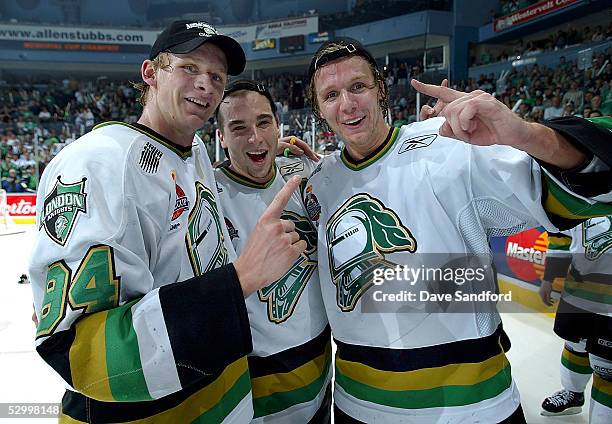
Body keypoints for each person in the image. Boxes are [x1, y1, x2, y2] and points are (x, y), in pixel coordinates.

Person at [303, 37, 612, 423]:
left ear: (381, 88)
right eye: (331, 95)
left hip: (472, 408)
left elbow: (583, 189)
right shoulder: (316, 182)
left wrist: (526, 135)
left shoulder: (449, 144)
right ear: (318, 109)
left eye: (358, 86)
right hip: (358, 406)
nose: (347, 103)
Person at [29, 20, 306, 423]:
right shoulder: (99, 163)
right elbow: (80, 353)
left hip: (218, 401)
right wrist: (241, 279)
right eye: (189, 68)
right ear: (150, 73)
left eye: (216, 76)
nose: (206, 85)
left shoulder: (191, 152)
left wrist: (263, 148)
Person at [214, 79, 331, 423]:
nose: (255, 137)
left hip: (323, 375)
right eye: (238, 128)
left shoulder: (304, 171)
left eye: (264, 123)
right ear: (220, 137)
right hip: (259, 391)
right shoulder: (207, 196)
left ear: (278, 126)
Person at [538, 219, 612, 422]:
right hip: (579, 292)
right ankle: (573, 393)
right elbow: (561, 235)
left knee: (606, 365)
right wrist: (550, 277)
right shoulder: (580, 192)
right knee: (575, 343)